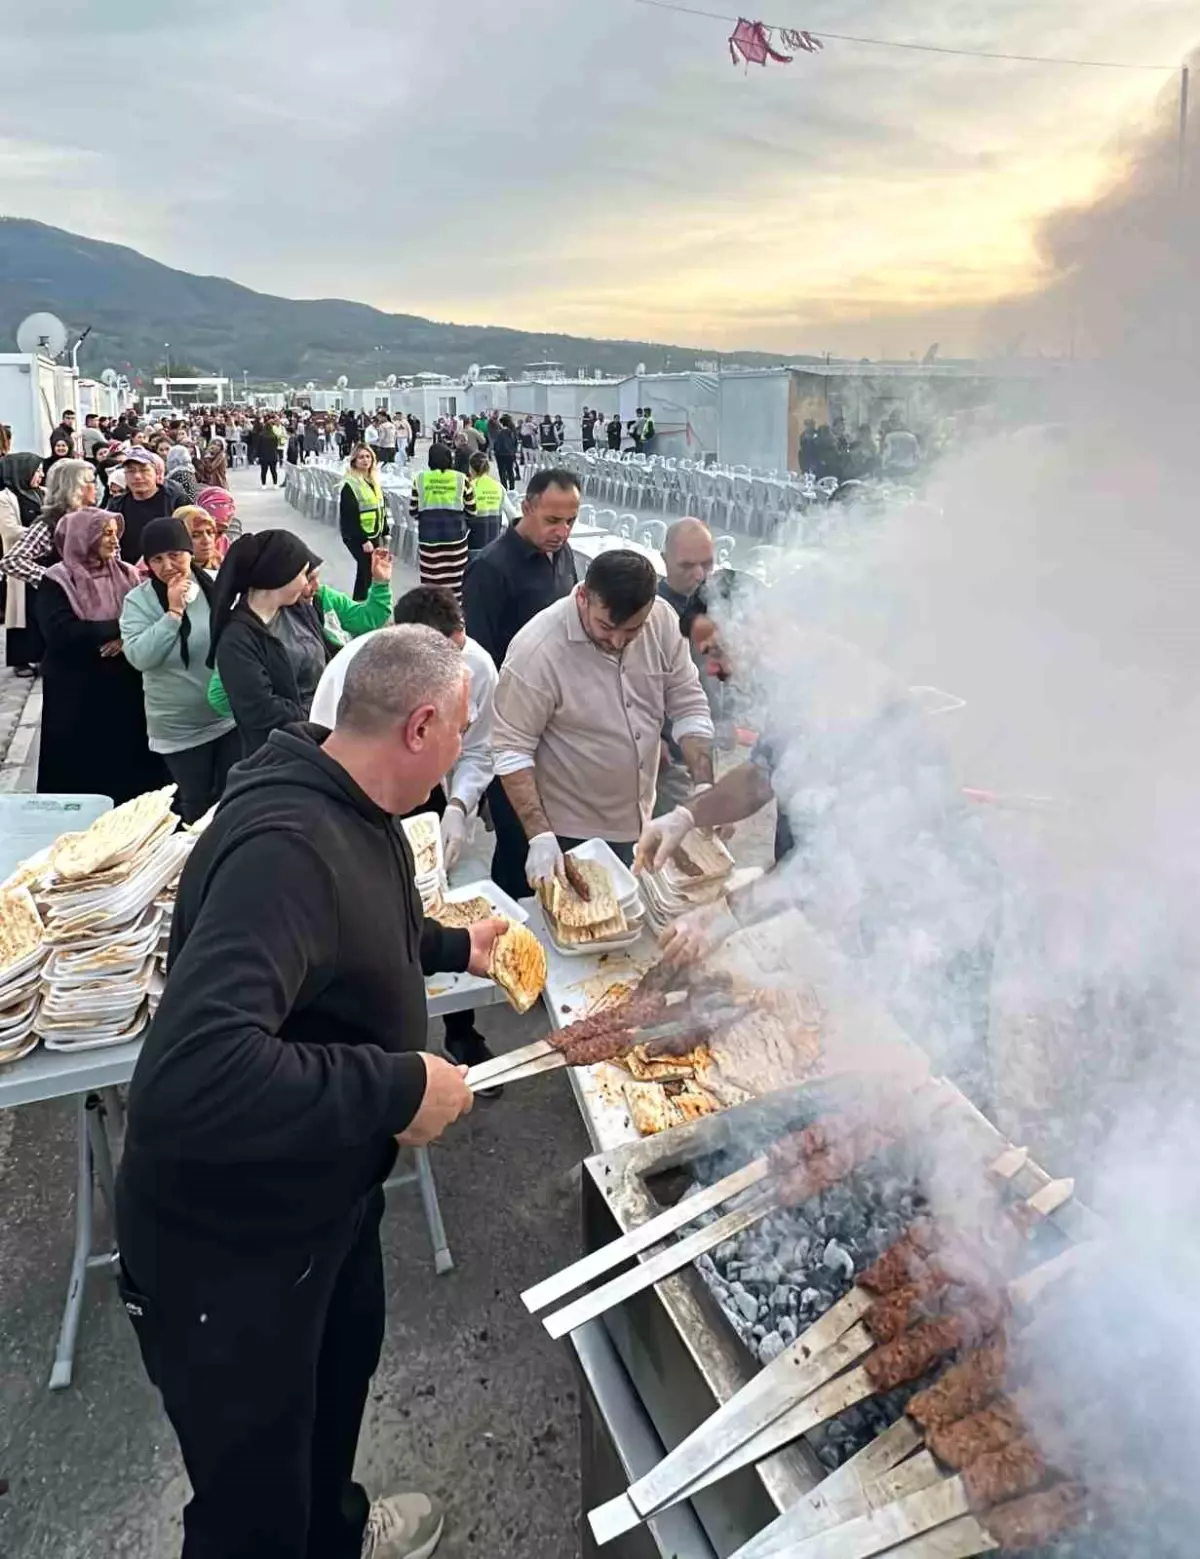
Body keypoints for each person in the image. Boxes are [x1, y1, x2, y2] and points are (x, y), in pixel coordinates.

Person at [115, 625, 508, 1559]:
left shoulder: (352, 794)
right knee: (250, 1507)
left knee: (329, 1408)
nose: (464, 748)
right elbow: (193, 1074)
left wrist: (454, 947)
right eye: (460, 728)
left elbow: (360, 929)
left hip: (322, 1207)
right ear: (419, 727)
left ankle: (334, 1529)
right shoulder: (286, 845)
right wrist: (398, 1082)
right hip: (231, 1254)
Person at [310, 586, 499, 1077]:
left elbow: (478, 749)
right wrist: (394, 1089)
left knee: (428, 897)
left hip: (422, 789)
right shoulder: (351, 671)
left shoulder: (476, 665)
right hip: (362, 797)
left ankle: (459, 1032)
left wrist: (458, 803)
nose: (457, 665)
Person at [491, 549, 714, 897]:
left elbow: (688, 703)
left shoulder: (663, 621)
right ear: (583, 597)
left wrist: (704, 787)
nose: (617, 641)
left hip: (641, 817)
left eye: (632, 630)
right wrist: (539, 836)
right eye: (606, 626)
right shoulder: (537, 650)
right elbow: (510, 750)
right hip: (566, 831)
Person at [36, 509, 165, 802]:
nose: (114, 539)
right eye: (105, 533)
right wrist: (122, 627)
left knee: (129, 765)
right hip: (76, 690)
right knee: (80, 766)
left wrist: (123, 638)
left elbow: (150, 617)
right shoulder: (58, 580)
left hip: (125, 686)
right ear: (84, 538)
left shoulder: (127, 573)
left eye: (113, 532)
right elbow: (63, 633)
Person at [120, 517, 240, 822]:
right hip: (178, 728)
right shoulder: (139, 601)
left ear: (189, 552)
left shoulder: (216, 585)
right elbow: (139, 657)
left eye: (175, 554)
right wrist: (173, 613)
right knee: (195, 806)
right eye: (157, 559)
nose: (168, 565)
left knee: (232, 798)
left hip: (227, 718)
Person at [209, 530, 330, 757]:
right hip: (282, 753)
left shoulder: (300, 610)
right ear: (281, 574)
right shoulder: (237, 639)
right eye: (303, 573)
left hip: (324, 738)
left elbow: (327, 656)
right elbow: (261, 710)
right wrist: (320, 713)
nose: (306, 583)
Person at [409, 443, 474, 600]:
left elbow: (413, 510)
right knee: (456, 581)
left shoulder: (421, 479)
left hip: (429, 539)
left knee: (432, 580)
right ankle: (455, 615)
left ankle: (433, 615)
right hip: (455, 539)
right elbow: (472, 510)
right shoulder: (461, 479)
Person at [0, 452, 45, 675]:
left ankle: (42, 655)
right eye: (37, 471)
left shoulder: (42, 494)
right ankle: (21, 659)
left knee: (42, 609)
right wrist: (41, 534)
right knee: (22, 612)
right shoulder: (6, 499)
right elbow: (9, 531)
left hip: (43, 560)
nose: (41, 475)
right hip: (20, 561)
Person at [107, 448, 189, 563]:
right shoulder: (116, 506)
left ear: (156, 473)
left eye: (144, 470)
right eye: (131, 471)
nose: (137, 476)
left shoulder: (175, 499)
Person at [340, 443, 388, 602]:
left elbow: (380, 506)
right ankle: (365, 605)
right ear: (354, 461)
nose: (365, 460)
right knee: (368, 570)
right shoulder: (351, 485)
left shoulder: (373, 481)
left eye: (368, 456)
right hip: (357, 536)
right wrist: (363, 540)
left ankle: (359, 604)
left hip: (374, 532)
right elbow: (349, 517)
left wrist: (385, 530)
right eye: (361, 457)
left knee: (366, 571)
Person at [658, 517, 714, 615]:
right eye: (687, 566)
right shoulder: (651, 612)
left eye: (706, 564)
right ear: (665, 560)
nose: (699, 576)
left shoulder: (723, 605)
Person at [465, 452, 508, 554]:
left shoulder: (468, 487)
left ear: (471, 469)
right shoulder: (499, 487)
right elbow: (513, 516)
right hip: (494, 546)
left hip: (473, 546)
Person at [173, 505, 222, 574]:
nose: (207, 540)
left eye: (210, 532)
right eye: (195, 535)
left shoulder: (227, 567)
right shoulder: (170, 574)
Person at [492, 414, 518, 491]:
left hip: (501, 455)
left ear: (502, 423)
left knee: (502, 472)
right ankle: (512, 488)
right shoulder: (513, 431)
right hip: (510, 454)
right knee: (510, 471)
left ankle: (504, 488)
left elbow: (496, 444)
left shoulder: (499, 432)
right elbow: (515, 443)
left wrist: (495, 451)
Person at [258, 419, 281, 487]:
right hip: (273, 455)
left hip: (264, 456)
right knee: (273, 471)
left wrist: (258, 455)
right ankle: (275, 484)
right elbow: (276, 445)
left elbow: (259, 446)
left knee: (263, 471)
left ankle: (263, 484)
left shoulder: (261, 436)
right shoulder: (274, 436)